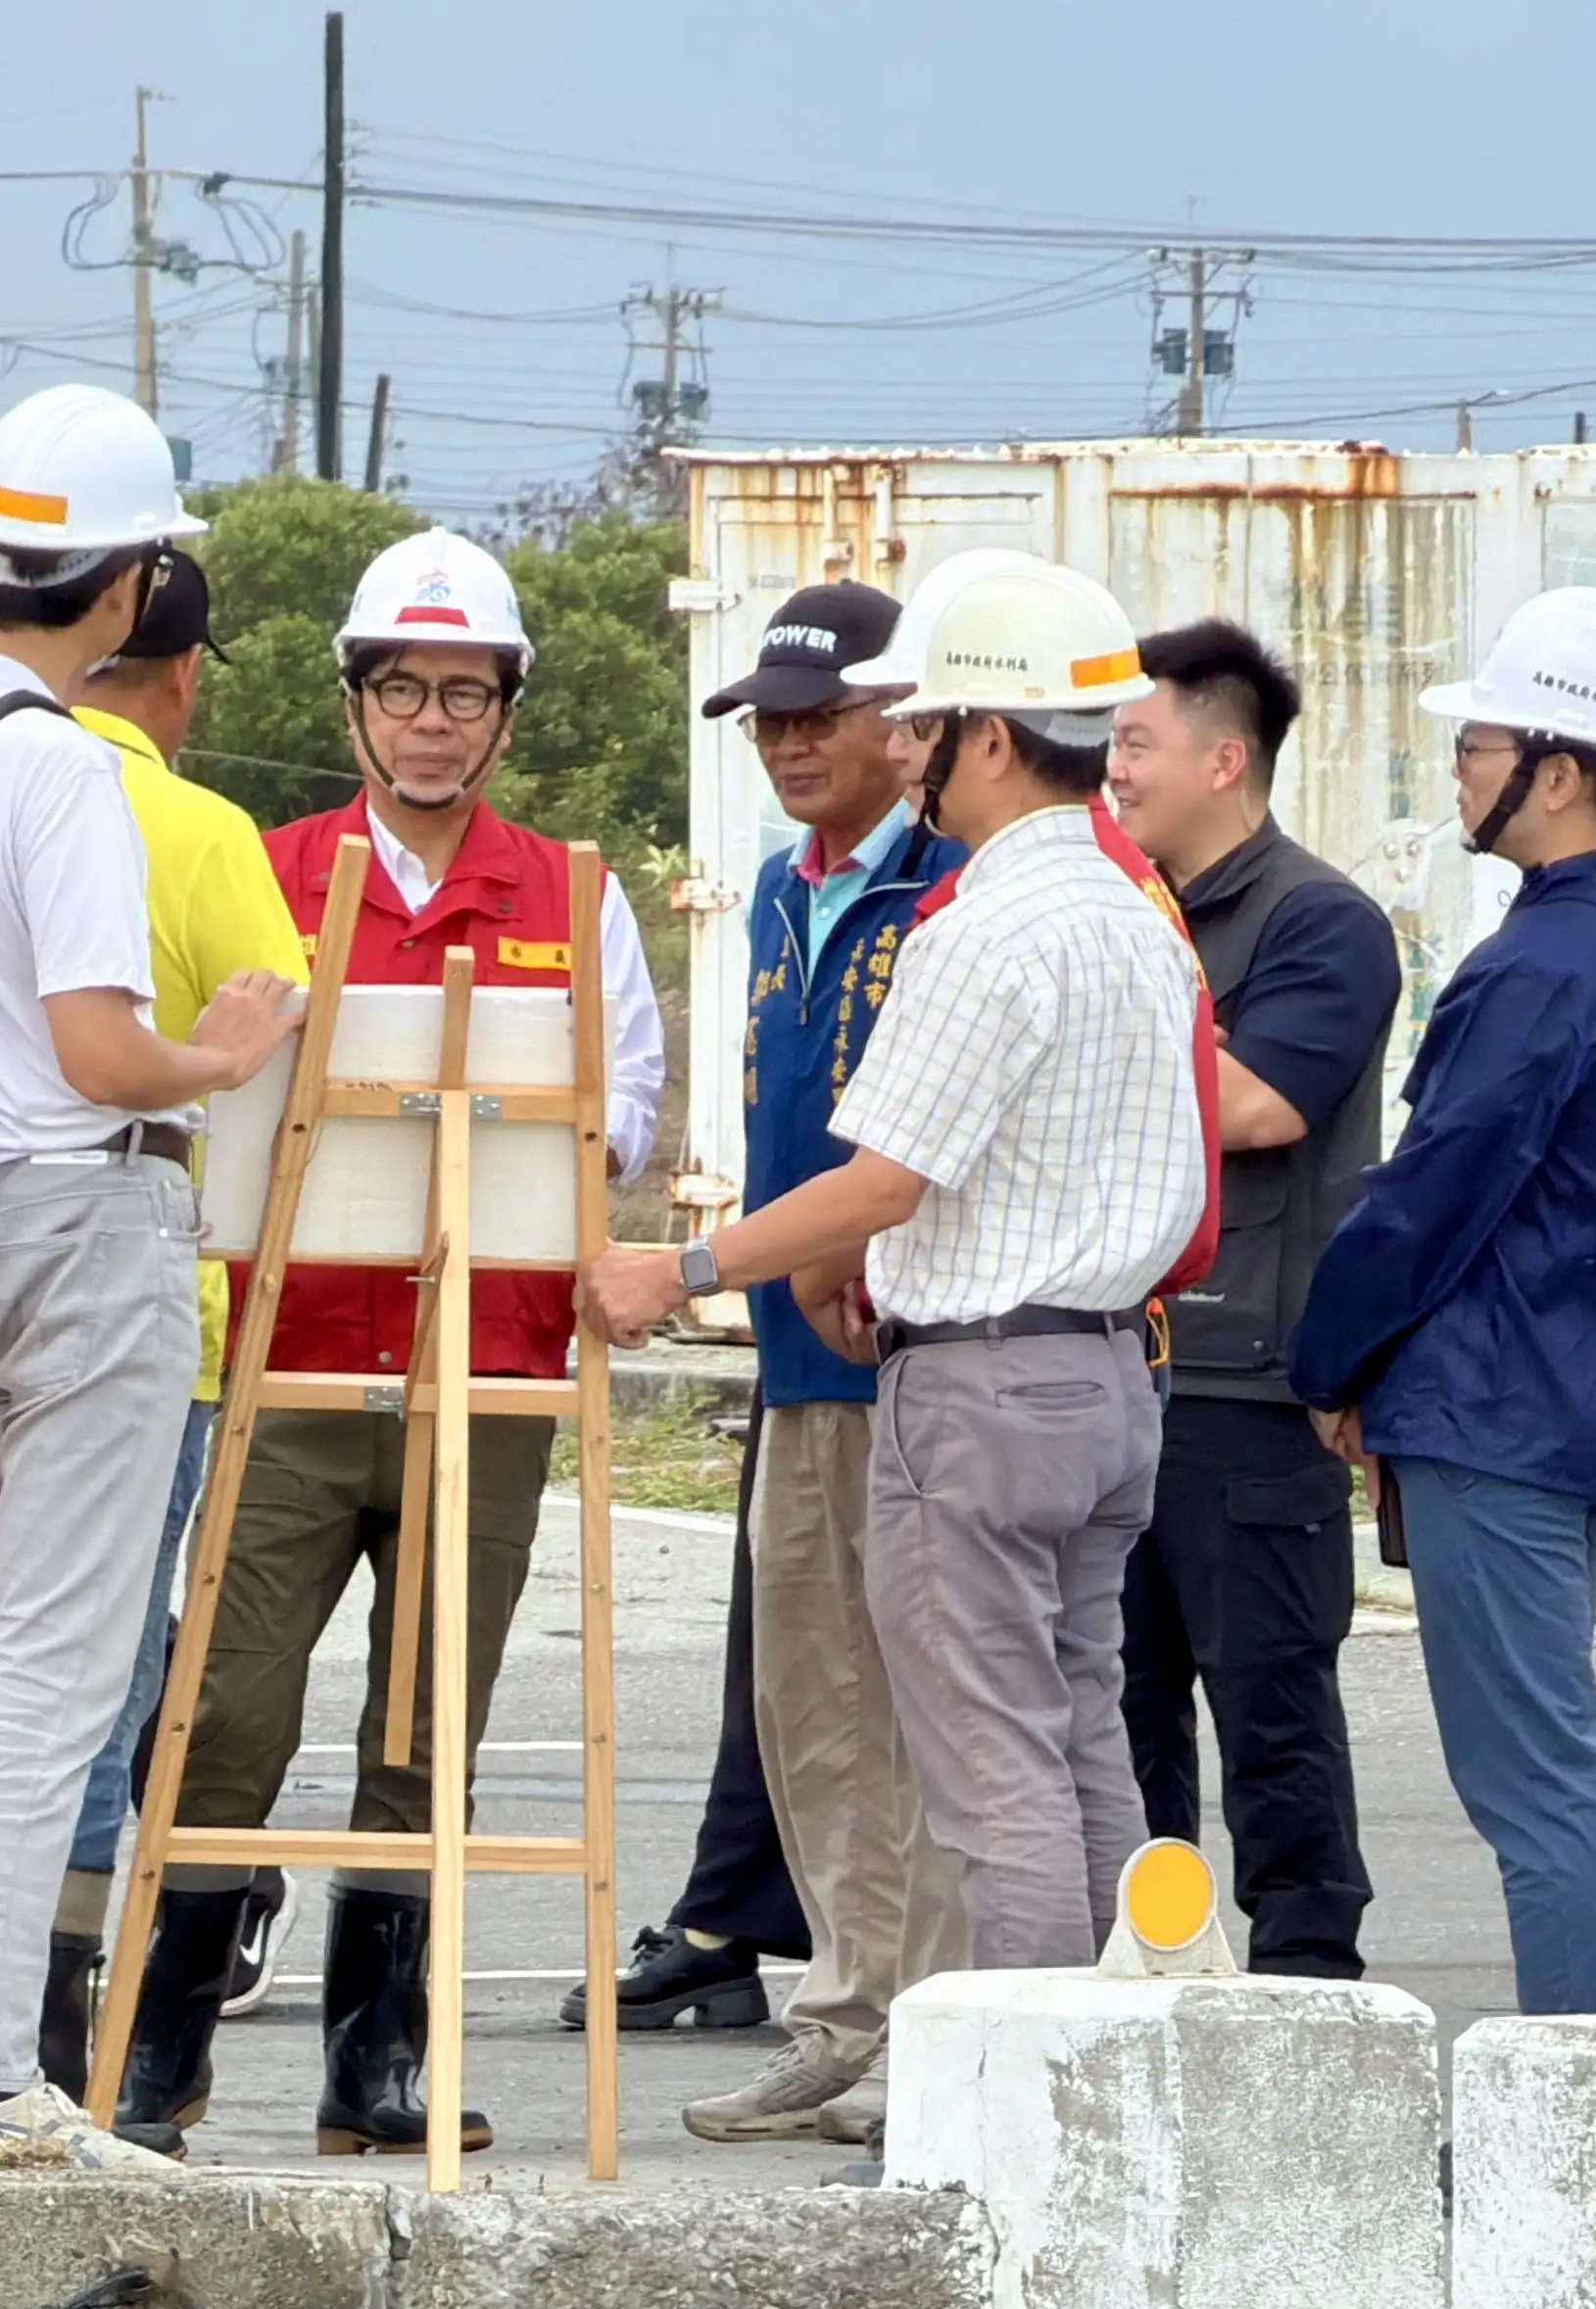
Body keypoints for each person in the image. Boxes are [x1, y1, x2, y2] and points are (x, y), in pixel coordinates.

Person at [587, 552, 1203, 1982]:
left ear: (992, 737)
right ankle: (1123, 2060)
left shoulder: (985, 927)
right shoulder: (1135, 916)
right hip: (1109, 1373)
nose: (909, 754)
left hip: (983, 1385)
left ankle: (1022, 2105)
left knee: (992, 1773)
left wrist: (678, 1270)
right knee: (1080, 1737)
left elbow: (881, 1180)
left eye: (923, 729)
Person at [0, 383, 302, 2159]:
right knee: (57, 1657)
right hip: (81, 1217)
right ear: (122, 589)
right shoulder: (71, 772)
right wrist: (227, 1047)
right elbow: (106, 1048)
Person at [188, 529, 671, 2158]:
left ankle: (374, 2062)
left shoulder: (572, 896)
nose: (432, 722)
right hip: (291, 1361)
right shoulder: (260, 869)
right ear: (353, 702)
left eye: (464, 692)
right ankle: (161, 2050)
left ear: (505, 714)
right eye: (402, 686)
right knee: (226, 1711)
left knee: (421, 1732)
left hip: (492, 1371)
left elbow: (625, 1113)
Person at [1282, 590, 1596, 2016]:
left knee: (1531, 1786)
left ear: (1560, 770)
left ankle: (1558, 2124)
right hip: (1577, 1390)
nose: (1460, 768)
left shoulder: (1547, 961)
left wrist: (1327, 1359)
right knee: (1565, 1768)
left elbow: (1430, 1196)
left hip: (1501, 1402)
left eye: (1479, 743)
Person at [666, 578, 954, 2148]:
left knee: (919, 1710)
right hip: (795, 1351)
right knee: (807, 1703)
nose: (787, 743)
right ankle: (840, 2016)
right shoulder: (785, 886)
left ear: (899, 720)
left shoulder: (954, 881)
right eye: (767, 720)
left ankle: (928, 2032)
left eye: (816, 715)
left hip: (909, 1348)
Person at [43, 548, 317, 2144]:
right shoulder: (199, 831)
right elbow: (287, 1056)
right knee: (104, 1676)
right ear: (187, 672)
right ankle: (75, 2038)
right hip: (149, 1292)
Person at [1104, 615, 1399, 1983]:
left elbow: (1261, 1103)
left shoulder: (1316, 921)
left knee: (1268, 1696)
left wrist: (1085, 1041)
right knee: (1120, 1706)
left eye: (1135, 744)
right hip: (1124, 1365)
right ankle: (1151, 1956)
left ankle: (1305, 1967)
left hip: (1249, 1383)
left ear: (1225, 760)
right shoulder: (1127, 906)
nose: (1111, 772)